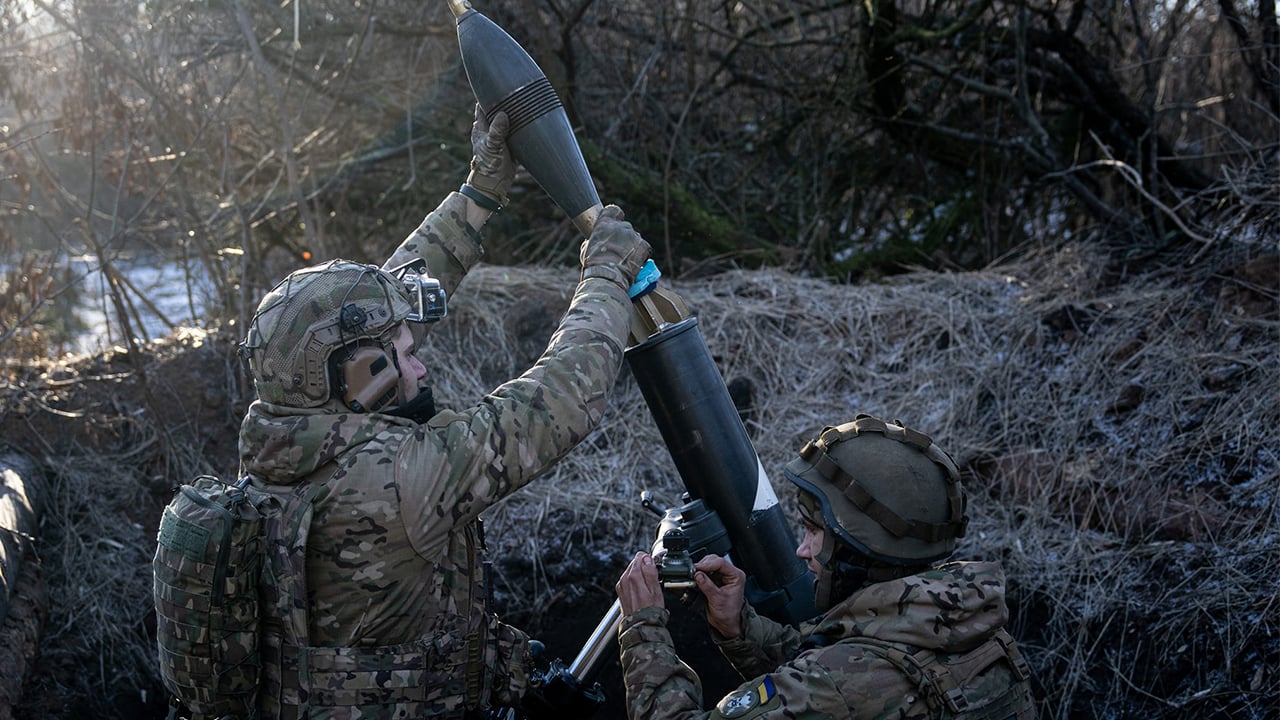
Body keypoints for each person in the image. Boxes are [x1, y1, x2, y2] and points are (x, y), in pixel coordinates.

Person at [237, 104, 651, 719]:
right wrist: (606, 277)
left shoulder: (284, 437)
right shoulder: (400, 478)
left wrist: (479, 194)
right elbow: (559, 399)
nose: (421, 366)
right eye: (402, 356)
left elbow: (383, 300)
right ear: (360, 378)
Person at [616, 414, 1036, 719]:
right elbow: (847, 665)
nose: (803, 550)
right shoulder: (972, 626)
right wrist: (740, 629)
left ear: (857, 548)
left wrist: (643, 629)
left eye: (815, 532)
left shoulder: (837, 688)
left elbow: (835, 686)